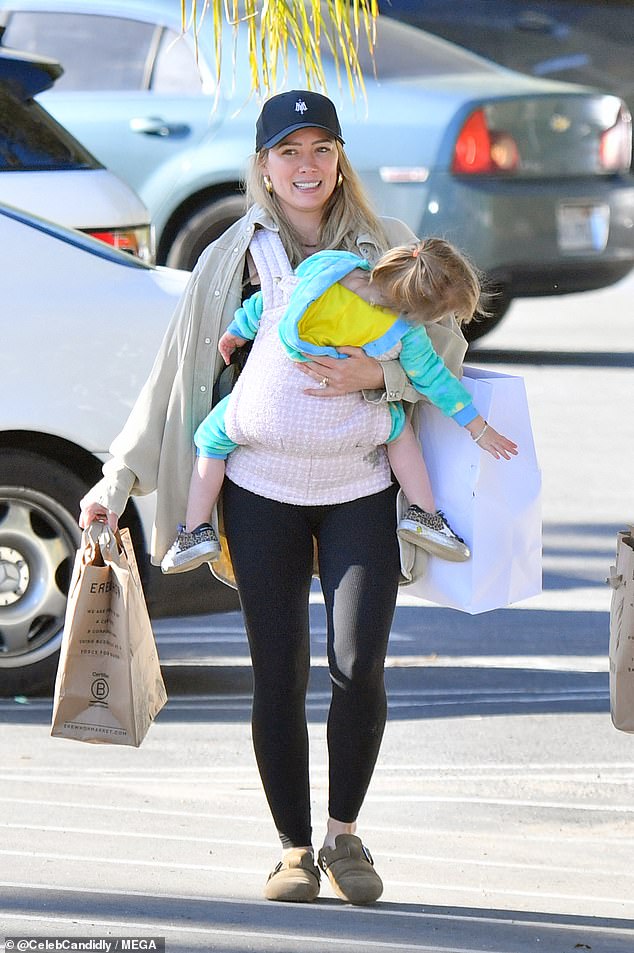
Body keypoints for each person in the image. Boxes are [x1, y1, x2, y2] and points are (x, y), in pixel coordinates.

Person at [78, 89, 489, 905]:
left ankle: (344, 835)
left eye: (321, 150)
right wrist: (115, 478)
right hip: (261, 487)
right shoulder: (231, 258)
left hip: (362, 487)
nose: (307, 167)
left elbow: (448, 344)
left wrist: (383, 373)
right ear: (263, 166)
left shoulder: (389, 246)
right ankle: (293, 849)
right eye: (289, 152)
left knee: (357, 664)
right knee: (279, 673)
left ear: (340, 161)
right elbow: (175, 379)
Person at [160, 239, 518, 574]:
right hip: (339, 417)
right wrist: (478, 428)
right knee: (398, 431)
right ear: (419, 311)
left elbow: (271, 300)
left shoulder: (330, 265)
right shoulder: (405, 333)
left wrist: (237, 330)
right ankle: (423, 514)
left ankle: (196, 530)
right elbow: (437, 382)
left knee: (211, 438)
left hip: (272, 409)